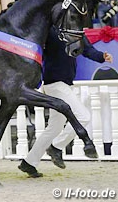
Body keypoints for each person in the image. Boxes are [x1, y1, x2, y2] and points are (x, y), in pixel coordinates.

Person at [18, 27, 113, 178]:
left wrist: (102, 56)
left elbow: (87, 49)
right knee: (83, 116)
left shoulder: (76, 31)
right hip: (55, 84)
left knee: (54, 127)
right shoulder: (50, 30)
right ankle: (56, 147)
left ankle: (29, 163)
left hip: (65, 84)